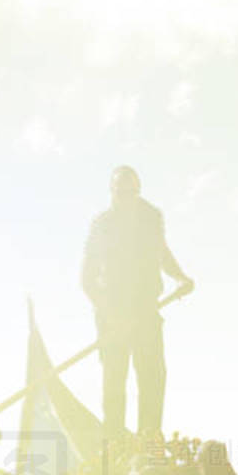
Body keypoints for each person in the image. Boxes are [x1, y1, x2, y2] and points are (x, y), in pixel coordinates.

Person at [81, 166, 193, 436]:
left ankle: (149, 439)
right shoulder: (101, 225)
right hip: (112, 316)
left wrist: (180, 277)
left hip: (146, 312)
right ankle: (115, 442)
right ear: (112, 193)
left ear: (138, 192)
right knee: (114, 383)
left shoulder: (151, 217)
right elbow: (87, 279)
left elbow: (161, 253)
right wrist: (111, 316)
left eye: (132, 193)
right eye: (121, 194)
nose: (127, 199)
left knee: (153, 378)